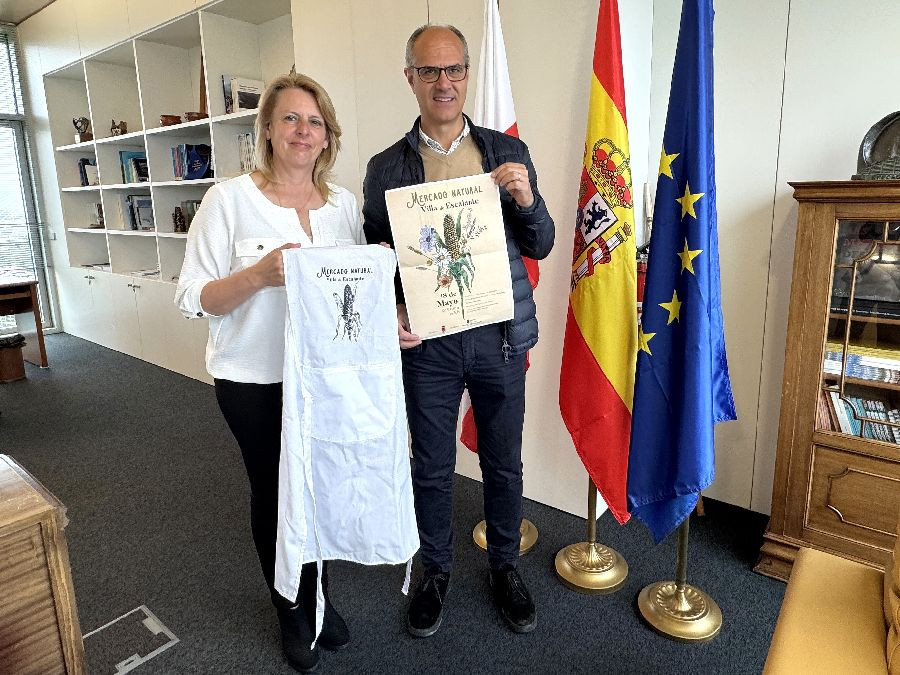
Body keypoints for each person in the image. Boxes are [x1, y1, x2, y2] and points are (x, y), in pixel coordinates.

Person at [362, 24, 555, 637]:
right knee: (431, 464)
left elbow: (542, 243)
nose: (442, 82)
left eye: (453, 70)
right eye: (429, 71)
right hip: (430, 343)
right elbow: (377, 259)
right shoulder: (385, 167)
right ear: (410, 78)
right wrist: (393, 305)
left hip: (500, 337)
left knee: (503, 462)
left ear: (467, 75)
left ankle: (505, 566)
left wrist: (526, 200)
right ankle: (436, 570)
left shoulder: (506, 152)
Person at [175, 73, 363, 673]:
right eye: (290, 119)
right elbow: (192, 296)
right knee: (278, 494)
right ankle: (291, 609)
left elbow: (354, 292)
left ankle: (320, 596)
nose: (303, 131)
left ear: (327, 136)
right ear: (268, 130)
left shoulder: (344, 206)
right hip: (253, 378)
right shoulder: (228, 200)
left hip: (326, 378)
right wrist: (258, 275)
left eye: (314, 122)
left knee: (321, 490)